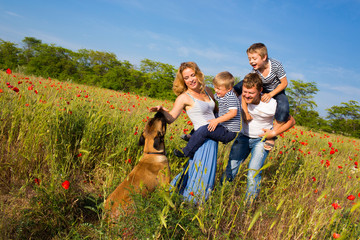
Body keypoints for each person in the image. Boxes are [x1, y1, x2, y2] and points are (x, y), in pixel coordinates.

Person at [149, 62, 218, 204]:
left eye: (193, 75)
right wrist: (162, 110)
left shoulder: (208, 91)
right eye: (186, 77)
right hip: (201, 139)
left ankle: (180, 199)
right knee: (199, 172)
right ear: (183, 80)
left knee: (197, 170)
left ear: (198, 74)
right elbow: (171, 118)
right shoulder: (184, 97)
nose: (191, 79)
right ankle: (190, 203)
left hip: (213, 139)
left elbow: (216, 111)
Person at [223, 73, 295, 207]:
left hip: (261, 142)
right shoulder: (239, 98)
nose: (247, 95)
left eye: (251, 93)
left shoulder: (271, 104)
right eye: (245, 92)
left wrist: (273, 133)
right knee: (231, 169)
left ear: (260, 91)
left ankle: (248, 206)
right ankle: (221, 197)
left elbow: (291, 121)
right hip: (243, 137)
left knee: (253, 174)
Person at [233, 43, 290, 150]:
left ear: (264, 57)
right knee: (241, 84)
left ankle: (272, 135)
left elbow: (284, 83)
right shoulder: (255, 71)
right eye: (249, 59)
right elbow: (247, 87)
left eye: (254, 58)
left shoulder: (276, 65)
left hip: (276, 90)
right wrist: (245, 111)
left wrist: (270, 94)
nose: (251, 61)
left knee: (283, 108)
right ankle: (229, 100)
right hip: (261, 86)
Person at [174, 71, 241, 159]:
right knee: (207, 120)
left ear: (229, 89)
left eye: (219, 89)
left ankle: (187, 152)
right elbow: (209, 98)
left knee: (205, 129)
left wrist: (216, 120)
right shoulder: (222, 94)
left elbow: (233, 113)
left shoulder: (231, 96)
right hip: (223, 126)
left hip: (228, 132)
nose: (216, 90)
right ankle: (191, 135)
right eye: (215, 87)